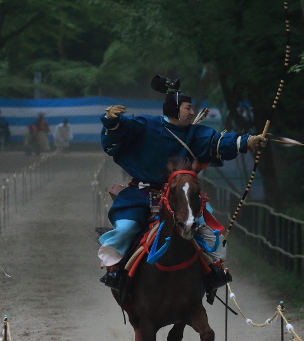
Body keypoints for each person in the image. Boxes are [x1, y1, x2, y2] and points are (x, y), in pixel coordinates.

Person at [97, 75, 267, 299]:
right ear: (175, 109)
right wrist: (110, 119)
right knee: (126, 228)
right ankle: (114, 272)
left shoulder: (195, 133)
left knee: (210, 228)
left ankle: (214, 269)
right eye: (188, 108)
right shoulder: (147, 125)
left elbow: (217, 142)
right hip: (142, 193)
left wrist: (247, 142)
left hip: (181, 195)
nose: (192, 112)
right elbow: (122, 129)